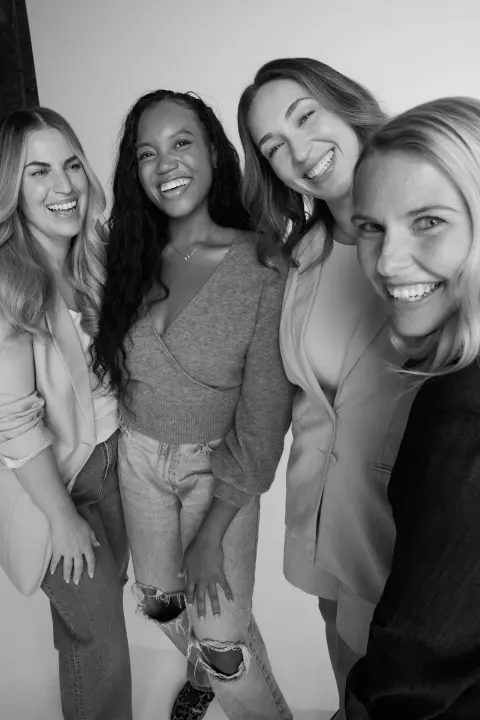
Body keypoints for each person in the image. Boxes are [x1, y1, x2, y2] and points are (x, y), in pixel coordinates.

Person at [92, 90, 294, 720]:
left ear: (212, 152)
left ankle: (219, 673)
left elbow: (264, 418)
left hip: (220, 471)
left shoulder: (262, 264)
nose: (165, 164)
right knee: (159, 603)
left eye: (181, 143)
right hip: (137, 460)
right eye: (146, 153)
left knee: (225, 648)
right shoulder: (126, 255)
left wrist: (211, 535)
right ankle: (201, 673)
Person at [237, 58, 415, 718]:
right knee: (353, 693)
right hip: (326, 540)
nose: (299, 151)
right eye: (273, 147)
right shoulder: (299, 259)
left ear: (346, 104)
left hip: (416, 544)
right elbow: (301, 404)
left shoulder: (438, 223)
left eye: (305, 116)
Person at [344, 96, 480, 719]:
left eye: (427, 221)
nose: (387, 262)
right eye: (370, 227)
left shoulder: (462, 413)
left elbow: (416, 678)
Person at [0, 108, 131, 720]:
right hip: (54, 486)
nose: (64, 185)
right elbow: (13, 420)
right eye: (39, 172)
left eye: (72, 164)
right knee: (101, 640)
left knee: (88, 628)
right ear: (11, 187)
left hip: (114, 464)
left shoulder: (94, 259)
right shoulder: (8, 281)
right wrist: (61, 518)